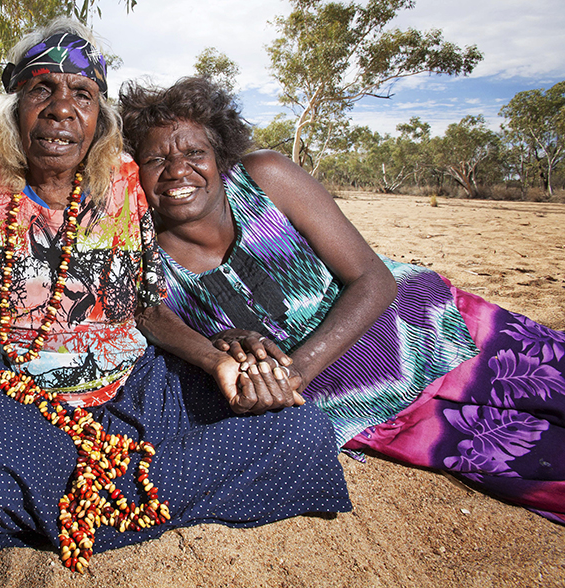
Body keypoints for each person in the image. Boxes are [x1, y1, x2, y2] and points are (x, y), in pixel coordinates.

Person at [0, 19, 351, 587]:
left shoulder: (124, 180)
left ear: (99, 117)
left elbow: (148, 308)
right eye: (41, 89)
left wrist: (215, 361)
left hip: (135, 382)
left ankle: (45, 505)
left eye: (81, 94)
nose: (61, 109)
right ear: (15, 107)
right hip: (20, 391)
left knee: (300, 432)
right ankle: (123, 491)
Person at [118, 76, 565, 525]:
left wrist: (297, 370)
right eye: (156, 159)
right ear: (135, 171)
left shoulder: (264, 177)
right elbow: (151, 315)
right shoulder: (141, 252)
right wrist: (223, 351)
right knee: (542, 463)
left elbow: (372, 279)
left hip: (431, 326)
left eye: (195, 153)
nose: (177, 170)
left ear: (220, 155)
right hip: (362, 406)